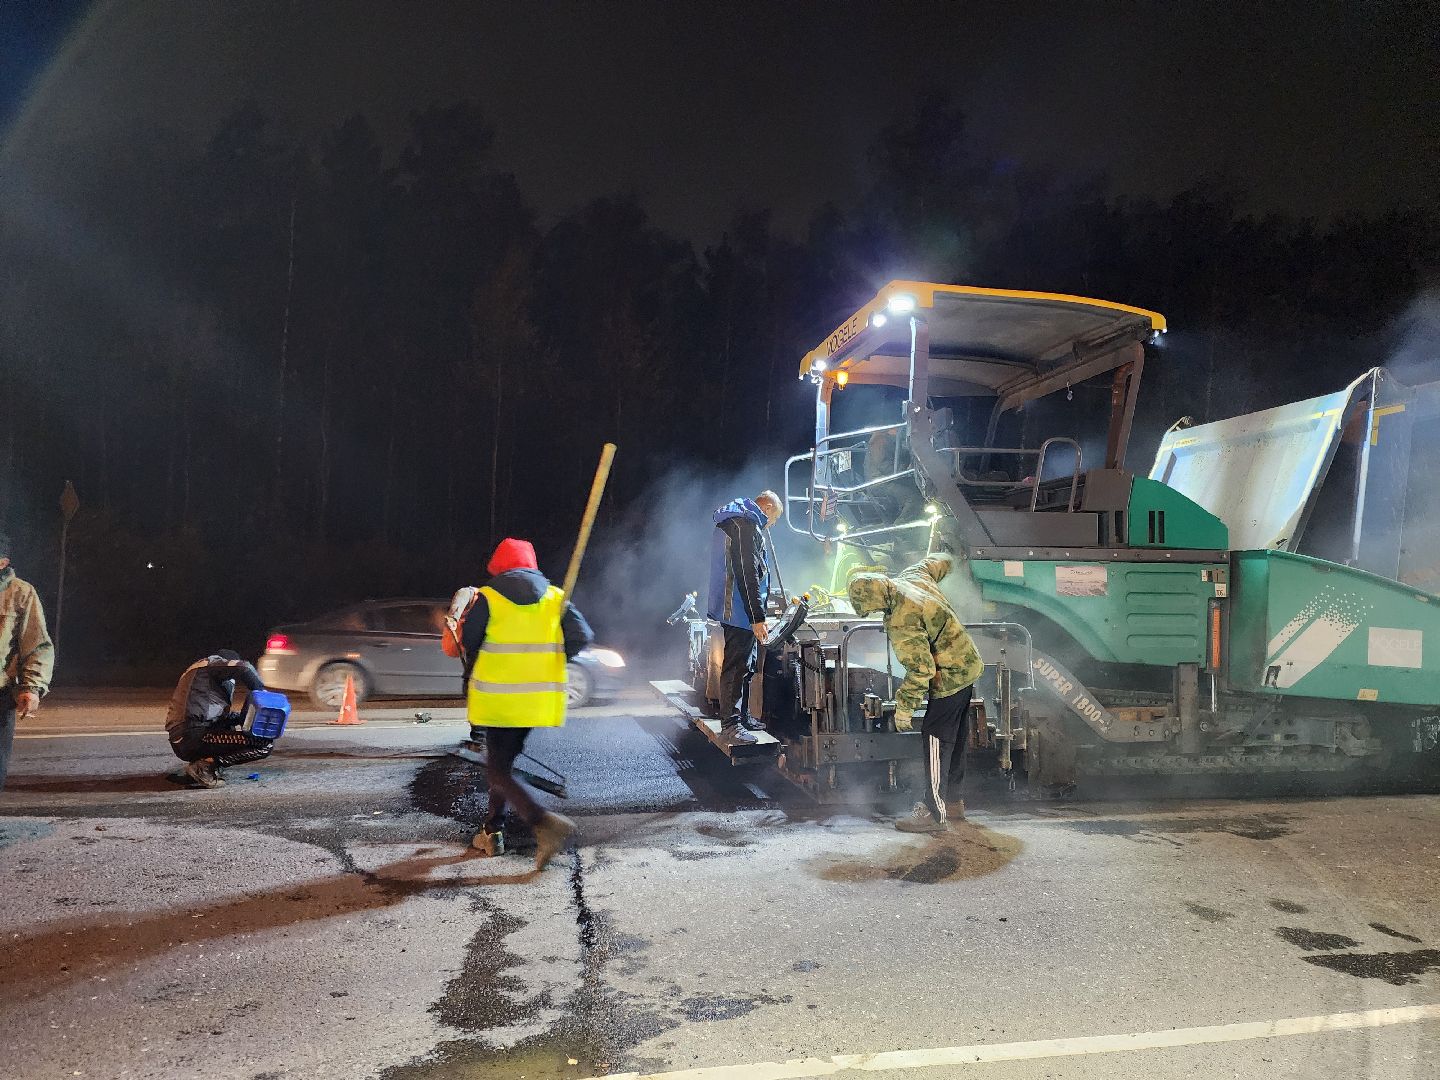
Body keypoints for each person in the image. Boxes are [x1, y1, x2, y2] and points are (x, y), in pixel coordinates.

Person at [462, 537, 592, 869]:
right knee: (502, 766)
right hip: (535, 700)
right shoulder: (554, 598)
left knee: (498, 769)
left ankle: (544, 823)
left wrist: (474, 677)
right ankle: (493, 830)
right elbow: (581, 636)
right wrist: (548, 662)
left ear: (498, 567)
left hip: (497, 699)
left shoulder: (486, 598)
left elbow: (469, 645)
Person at [847, 553, 984, 834]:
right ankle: (953, 802)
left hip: (948, 678)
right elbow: (938, 561)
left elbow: (921, 669)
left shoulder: (901, 619)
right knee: (955, 740)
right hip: (968, 666)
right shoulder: (913, 576)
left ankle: (932, 813)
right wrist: (950, 554)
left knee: (934, 740)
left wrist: (904, 709)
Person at [706, 490, 782, 744]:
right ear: (768, 507)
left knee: (745, 665)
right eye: (774, 519)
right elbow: (747, 572)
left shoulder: (737, 521)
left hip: (738, 608)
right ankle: (730, 725)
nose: (771, 525)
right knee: (737, 665)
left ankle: (742, 716)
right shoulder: (744, 524)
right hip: (739, 609)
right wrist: (757, 616)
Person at [165, 650, 275, 788]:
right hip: (194, 735)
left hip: (184, 737)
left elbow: (218, 717)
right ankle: (204, 767)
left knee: (230, 728)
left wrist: (244, 718)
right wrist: (261, 691)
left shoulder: (198, 678)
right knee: (264, 745)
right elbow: (244, 667)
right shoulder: (210, 665)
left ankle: (201, 764)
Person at [0, 531, 55, 792]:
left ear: (3, 562)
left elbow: (37, 645)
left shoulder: (20, 593)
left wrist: (31, 688)